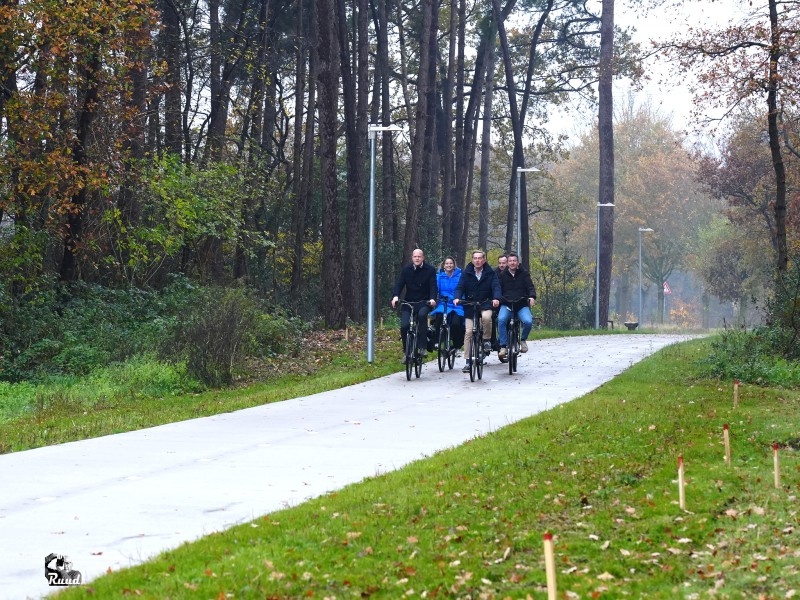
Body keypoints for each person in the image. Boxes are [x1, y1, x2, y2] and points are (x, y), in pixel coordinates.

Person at [454, 250, 500, 373]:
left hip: (485, 303)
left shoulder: (490, 273)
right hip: (470, 305)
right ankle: (468, 361)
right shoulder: (466, 273)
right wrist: (457, 297)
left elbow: (496, 286)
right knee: (469, 332)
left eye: (480, 258)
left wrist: (496, 298)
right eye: (475, 258)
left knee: (486, 318)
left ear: (484, 260)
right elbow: (460, 287)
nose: (477, 260)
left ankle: (486, 340)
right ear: (472, 260)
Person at [391, 248, 437, 363]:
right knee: (404, 326)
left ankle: (422, 347)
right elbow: (399, 284)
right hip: (409, 302)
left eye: (419, 256)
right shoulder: (406, 270)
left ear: (423, 258)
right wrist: (395, 296)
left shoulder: (430, 270)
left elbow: (433, 286)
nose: (417, 258)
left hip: (424, 302)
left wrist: (432, 299)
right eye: (415, 256)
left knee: (422, 316)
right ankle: (406, 352)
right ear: (412, 258)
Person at [497, 252, 536, 360]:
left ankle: (523, 340)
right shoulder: (502, 275)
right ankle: (503, 346)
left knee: (528, 321)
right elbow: (498, 289)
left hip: (521, 304)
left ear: (518, 262)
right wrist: (497, 299)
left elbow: (530, 287)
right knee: (501, 320)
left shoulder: (524, 274)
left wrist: (532, 297)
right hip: (507, 304)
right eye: (510, 261)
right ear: (507, 263)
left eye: (514, 261)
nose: (512, 263)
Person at [429, 257, 465, 352]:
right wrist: (433, 299)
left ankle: (457, 345)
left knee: (456, 323)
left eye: (451, 263)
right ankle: (436, 341)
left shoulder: (460, 276)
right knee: (439, 318)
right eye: (447, 263)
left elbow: (463, 289)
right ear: (443, 265)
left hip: (457, 305)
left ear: (454, 265)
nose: (449, 265)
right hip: (444, 303)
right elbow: (435, 289)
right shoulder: (439, 277)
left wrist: (461, 299)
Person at [490, 254, 508, 350]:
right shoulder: (493, 273)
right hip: (496, 300)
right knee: (491, 317)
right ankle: (493, 341)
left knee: (506, 318)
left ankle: (504, 340)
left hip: (507, 301)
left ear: (507, 263)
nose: (501, 265)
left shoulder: (511, 273)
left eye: (503, 263)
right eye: (500, 263)